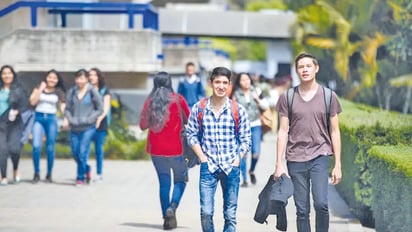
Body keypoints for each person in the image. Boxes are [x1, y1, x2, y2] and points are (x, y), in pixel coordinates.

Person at [274, 53, 342, 232]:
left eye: (308, 66)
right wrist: (278, 164)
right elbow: (282, 131)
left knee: (321, 204)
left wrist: (338, 165)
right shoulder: (287, 97)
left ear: (316, 68)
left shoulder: (329, 96)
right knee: (302, 210)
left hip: (320, 156)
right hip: (295, 158)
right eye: (301, 67)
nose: (304, 70)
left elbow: (335, 131)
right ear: (296, 71)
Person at [186, 67, 251, 232]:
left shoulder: (238, 110)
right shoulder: (199, 108)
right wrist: (202, 158)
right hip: (208, 167)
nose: (221, 86)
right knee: (206, 212)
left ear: (229, 85)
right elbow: (191, 134)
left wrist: (238, 159)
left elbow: (246, 139)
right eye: (217, 82)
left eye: (224, 83)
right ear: (210, 83)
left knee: (230, 215)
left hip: (231, 167)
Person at [139, 71, 190, 230]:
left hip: (156, 150)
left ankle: (166, 219)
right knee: (180, 180)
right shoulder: (178, 99)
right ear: (169, 83)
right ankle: (172, 208)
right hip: (177, 149)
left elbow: (142, 125)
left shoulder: (150, 102)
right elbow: (189, 119)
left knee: (164, 182)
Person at [63, 69, 103, 186]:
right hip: (74, 127)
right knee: (75, 153)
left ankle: (80, 177)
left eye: (82, 78)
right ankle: (86, 168)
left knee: (82, 152)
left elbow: (99, 109)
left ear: (86, 79)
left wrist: (89, 119)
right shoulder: (72, 92)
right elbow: (67, 109)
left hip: (88, 127)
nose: (79, 81)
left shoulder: (92, 91)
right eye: (77, 78)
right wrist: (71, 119)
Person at [231, 72, 269, 187]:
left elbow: (265, 106)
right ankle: (244, 179)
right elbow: (232, 109)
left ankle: (251, 170)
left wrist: (257, 99)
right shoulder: (236, 94)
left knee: (256, 153)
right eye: (243, 80)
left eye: (247, 79)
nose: (246, 82)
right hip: (241, 127)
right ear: (239, 82)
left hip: (255, 125)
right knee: (243, 154)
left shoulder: (256, 91)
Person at [29, 69, 66, 183]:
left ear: (57, 80)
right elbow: (32, 102)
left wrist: (66, 119)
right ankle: (36, 173)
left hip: (51, 119)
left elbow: (63, 107)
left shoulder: (58, 91)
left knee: (50, 147)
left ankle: (49, 174)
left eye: (55, 78)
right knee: (36, 146)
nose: (52, 80)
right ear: (46, 77)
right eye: (50, 77)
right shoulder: (37, 88)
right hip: (38, 118)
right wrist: (40, 89)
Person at [0, 65, 29, 185]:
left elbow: (24, 104)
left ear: (13, 75)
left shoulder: (19, 88)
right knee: (2, 149)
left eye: (9, 73)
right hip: (1, 123)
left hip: (14, 122)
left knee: (14, 149)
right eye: (4, 73)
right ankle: (4, 176)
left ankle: (16, 169)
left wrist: (17, 111)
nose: (7, 76)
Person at [88, 68, 111, 183]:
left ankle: (99, 174)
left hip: (100, 124)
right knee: (83, 150)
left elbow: (105, 109)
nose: (91, 77)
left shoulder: (104, 91)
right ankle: (85, 169)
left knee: (98, 149)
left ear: (99, 77)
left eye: (94, 75)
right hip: (86, 124)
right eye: (90, 75)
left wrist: (99, 119)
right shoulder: (85, 90)